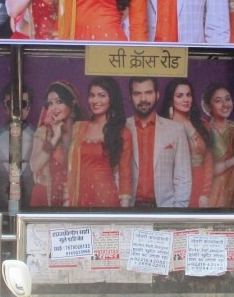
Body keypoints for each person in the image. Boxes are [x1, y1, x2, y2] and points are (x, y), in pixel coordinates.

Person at [66, 76, 134, 207]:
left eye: (101, 95)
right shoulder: (78, 128)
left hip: (105, 197)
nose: (95, 100)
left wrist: (123, 215)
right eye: (92, 95)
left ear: (111, 99)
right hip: (77, 197)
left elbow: (125, 175)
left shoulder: (122, 132)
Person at [126, 77, 191, 208]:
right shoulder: (121, 128)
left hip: (164, 209)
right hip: (128, 209)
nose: (143, 99)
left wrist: (176, 212)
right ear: (130, 97)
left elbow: (183, 176)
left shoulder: (175, 129)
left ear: (157, 95)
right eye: (137, 93)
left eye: (148, 92)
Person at [160, 78, 213, 208]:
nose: (185, 99)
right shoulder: (163, 125)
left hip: (199, 183)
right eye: (180, 96)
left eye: (188, 95)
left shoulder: (202, 125)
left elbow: (209, 160)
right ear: (171, 99)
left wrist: (205, 193)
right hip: (173, 186)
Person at [30, 81, 83, 207]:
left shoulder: (83, 130)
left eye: (59, 102)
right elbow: (35, 166)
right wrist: (54, 138)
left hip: (75, 196)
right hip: (44, 196)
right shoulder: (44, 131)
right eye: (50, 104)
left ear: (72, 103)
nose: (54, 108)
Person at [202, 82, 234, 208]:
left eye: (227, 99)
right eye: (218, 101)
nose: (225, 104)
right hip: (212, 196)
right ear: (208, 106)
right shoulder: (204, 131)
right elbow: (206, 171)